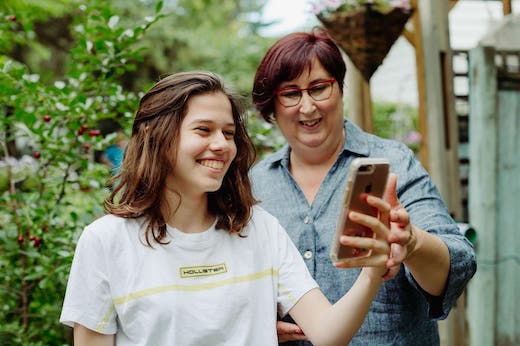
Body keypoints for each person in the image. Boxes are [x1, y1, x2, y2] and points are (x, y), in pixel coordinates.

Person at [59, 71, 393, 345]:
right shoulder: (105, 242)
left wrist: (372, 272)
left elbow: (327, 333)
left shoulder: (260, 228)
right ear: (158, 136)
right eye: (204, 130)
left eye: (229, 133)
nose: (221, 145)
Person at [250, 28, 477, 345]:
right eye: (290, 94)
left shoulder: (394, 162)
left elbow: (458, 264)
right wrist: (252, 323)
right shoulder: (254, 185)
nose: (307, 107)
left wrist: (411, 243)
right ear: (272, 106)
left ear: (340, 89)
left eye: (319, 88)